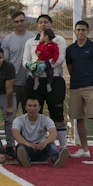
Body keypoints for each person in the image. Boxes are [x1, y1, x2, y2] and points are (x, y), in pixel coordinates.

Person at [22, 14, 68, 149]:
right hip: (34, 81)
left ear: (51, 24)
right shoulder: (31, 42)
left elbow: (59, 59)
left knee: (57, 115)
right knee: (34, 114)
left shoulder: (58, 40)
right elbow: (24, 61)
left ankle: (63, 148)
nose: (43, 25)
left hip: (54, 80)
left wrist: (44, 65)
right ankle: (33, 146)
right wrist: (31, 65)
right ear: (37, 25)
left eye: (46, 22)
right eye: (40, 22)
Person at [66, 20, 93, 160]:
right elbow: (70, 68)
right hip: (75, 87)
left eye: (83, 30)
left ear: (88, 31)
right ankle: (84, 148)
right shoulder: (70, 49)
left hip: (91, 87)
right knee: (79, 118)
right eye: (78, 30)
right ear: (74, 31)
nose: (81, 32)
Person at [12, 97, 70, 168]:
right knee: (21, 147)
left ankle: (57, 159)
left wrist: (44, 143)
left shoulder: (46, 119)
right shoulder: (19, 119)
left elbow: (53, 133)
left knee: (50, 144)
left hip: (41, 148)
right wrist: (29, 144)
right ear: (25, 108)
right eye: (29, 106)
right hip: (27, 147)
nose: (32, 108)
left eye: (35, 106)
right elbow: (15, 134)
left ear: (39, 107)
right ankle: (25, 160)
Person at [1, 11, 33, 112]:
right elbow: (5, 63)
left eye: (22, 21)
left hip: (30, 82)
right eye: (17, 21)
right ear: (13, 23)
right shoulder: (7, 40)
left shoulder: (33, 38)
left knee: (30, 114)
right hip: (13, 84)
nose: (20, 23)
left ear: (25, 21)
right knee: (11, 113)